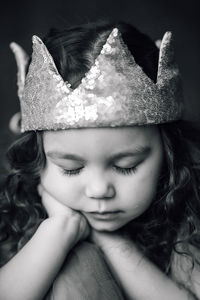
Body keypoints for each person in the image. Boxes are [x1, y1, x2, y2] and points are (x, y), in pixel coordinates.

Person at [0, 19, 200, 300]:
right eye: (71, 169)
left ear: (169, 154)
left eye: (126, 166)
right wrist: (60, 229)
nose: (98, 190)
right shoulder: (12, 216)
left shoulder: (187, 224)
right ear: (35, 157)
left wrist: (112, 244)